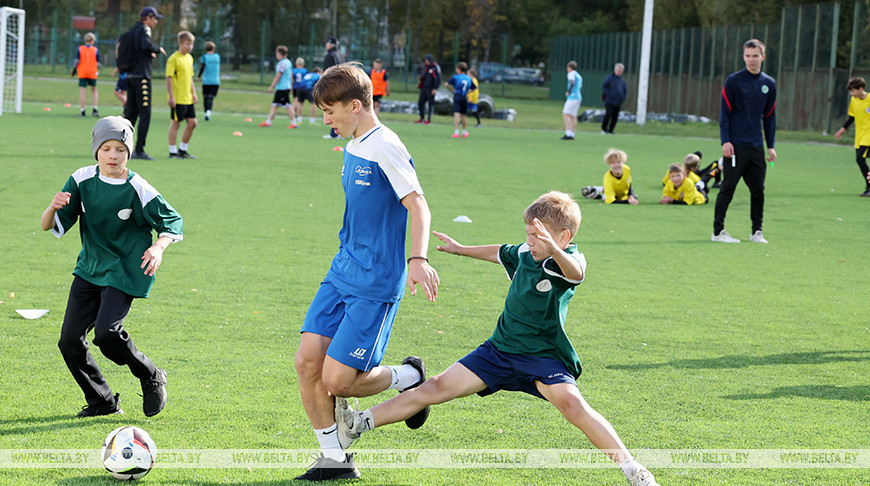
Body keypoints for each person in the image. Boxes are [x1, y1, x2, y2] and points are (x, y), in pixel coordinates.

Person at [334, 191, 660, 486]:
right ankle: (359, 423)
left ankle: (633, 470)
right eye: (529, 234)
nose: (531, 241)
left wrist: (554, 248)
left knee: (573, 405)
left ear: (564, 236)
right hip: (499, 351)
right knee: (434, 388)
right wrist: (460, 250)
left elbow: (576, 272)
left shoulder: (568, 259)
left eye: (539, 235)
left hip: (543, 357)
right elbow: (500, 252)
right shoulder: (525, 251)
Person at [294, 62, 440, 481]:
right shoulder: (354, 142)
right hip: (342, 271)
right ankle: (334, 459)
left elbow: (418, 205)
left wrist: (418, 259)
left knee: (337, 381)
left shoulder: (386, 146)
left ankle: (409, 376)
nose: (325, 120)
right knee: (307, 363)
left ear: (355, 106)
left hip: (375, 282)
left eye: (329, 111)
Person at [40, 116, 182, 418]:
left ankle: (151, 374)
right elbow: (47, 226)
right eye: (106, 148)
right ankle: (102, 400)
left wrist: (159, 246)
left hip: (125, 268)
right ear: (96, 151)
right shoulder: (81, 179)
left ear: (128, 152)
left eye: (120, 149)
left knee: (106, 334)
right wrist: (52, 207)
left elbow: (173, 221)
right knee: (68, 341)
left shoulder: (138, 187)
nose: (113, 155)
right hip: (90, 268)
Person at [712, 39, 777, 244]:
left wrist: (771, 145)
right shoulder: (733, 81)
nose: (751, 59)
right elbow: (725, 114)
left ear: (763, 57)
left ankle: (756, 231)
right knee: (728, 187)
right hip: (736, 145)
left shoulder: (769, 84)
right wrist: (726, 141)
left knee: (758, 190)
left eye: (755, 56)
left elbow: (770, 117)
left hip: (756, 146)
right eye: (747, 56)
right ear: (743, 57)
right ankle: (717, 232)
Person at [123, 6, 167, 161]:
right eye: (154, 18)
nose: (155, 22)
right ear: (148, 18)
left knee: (131, 114)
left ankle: (122, 146)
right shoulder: (144, 29)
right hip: (142, 77)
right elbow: (146, 45)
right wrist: (157, 48)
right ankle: (139, 150)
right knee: (145, 114)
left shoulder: (131, 30)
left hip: (129, 76)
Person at [834, 77, 870, 197]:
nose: (851, 93)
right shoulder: (854, 100)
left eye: (853, 91)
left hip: (868, 135)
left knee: (860, 159)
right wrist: (842, 130)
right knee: (861, 160)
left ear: (861, 89)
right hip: (859, 136)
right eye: (850, 91)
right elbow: (852, 118)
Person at [165, 31, 199, 159]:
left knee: (193, 123)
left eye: (191, 44)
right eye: (187, 44)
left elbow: (189, 77)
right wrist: (171, 96)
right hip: (178, 98)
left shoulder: (189, 58)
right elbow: (168, 78)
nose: (190, 47)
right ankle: (172, 152)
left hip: (188, 98)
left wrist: (194, 93)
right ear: (180, 43)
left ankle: (182, 150)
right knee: (176, 123)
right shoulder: (173, 59)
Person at [258, 45, 297, 129]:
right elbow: (290, 74)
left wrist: (271, 86)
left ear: (279, 53)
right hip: (284, 86)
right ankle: (268, 122)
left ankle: (293, 123)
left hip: (282, 87)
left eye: (277, 53)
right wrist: (292, 83)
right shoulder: (288, 62)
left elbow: (279, 75)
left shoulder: (282, 63)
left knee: (287, 105)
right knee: (275, 105)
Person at [321, 37, 346, 139]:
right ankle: (341, 132)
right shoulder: (341, 55)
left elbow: (327, 73)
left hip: (332, 86)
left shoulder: (330, 55)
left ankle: (334, 133)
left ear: (331, 44)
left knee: (332, 109)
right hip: (342, 84)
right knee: (340, 109)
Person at [72, 32, 100, 117]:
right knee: (94, 90)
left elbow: (77, 60)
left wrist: (74, 69)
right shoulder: (95, 50)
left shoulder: (80, 49)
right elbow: (97, 61)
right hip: (92, 72)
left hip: (82, 72)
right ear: (92, 41)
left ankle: (83, 110)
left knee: (83, 91)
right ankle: (95, 109)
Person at [445, 61, 476, 138]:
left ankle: (456, 132)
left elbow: (446, 84)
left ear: (459, 69)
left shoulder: (455, 77)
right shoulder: (469, 78)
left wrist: (451, 90)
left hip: (457, 96)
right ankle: (464, 132)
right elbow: (474, 88)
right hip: (464, 97)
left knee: (456, 114)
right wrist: (467, 92)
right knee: (463, 115)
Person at [197, 41, 221, 121]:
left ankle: (205, 113)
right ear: (213, 49)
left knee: (205, 97)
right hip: (215, 81)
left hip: (206, 81)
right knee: (211, 98)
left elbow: (202, 67)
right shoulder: (217, 57)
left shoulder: (204, 57)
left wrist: (198, 76)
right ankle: (208, 111)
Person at [601, 63, 627, 134]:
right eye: (617, 69)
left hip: (618, 101)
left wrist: (623, 98)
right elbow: (604, 86)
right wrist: (608, 94)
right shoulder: (610, 78)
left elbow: (624, 90)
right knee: (608, 114)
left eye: (620, 70)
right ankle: (604, 129)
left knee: (615, 116)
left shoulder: (622, 80)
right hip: (610, 100)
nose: (618, 71)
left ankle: (611, 130)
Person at [416, 54, 441, 125]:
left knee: (430, 104)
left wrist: (435, 88)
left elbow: (438, 79)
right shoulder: (425, 67)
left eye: (427, 60)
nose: (426, 61)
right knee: (420, 102)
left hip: (431, 88)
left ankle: (429, 119)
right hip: (424, 87)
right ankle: (422, 118)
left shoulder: (435, 67)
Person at [562, 61, 583, 140]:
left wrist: (569, 91)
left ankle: (568, 133)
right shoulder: (579, 75)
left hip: (573, 97)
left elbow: (572, 82)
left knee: (565, 114)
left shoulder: (571, 74)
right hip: (578, 97)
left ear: (569, 67)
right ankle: (572, 134)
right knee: (573, 116)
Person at [291, 57, 308, 125]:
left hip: (295, 87)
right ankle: (294, 115)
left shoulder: (293, 70)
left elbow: (292, 79)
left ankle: (294, 115)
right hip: (302, 87)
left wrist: (292, 86)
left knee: (296, 101)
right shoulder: (305, 71)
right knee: (299, 103)